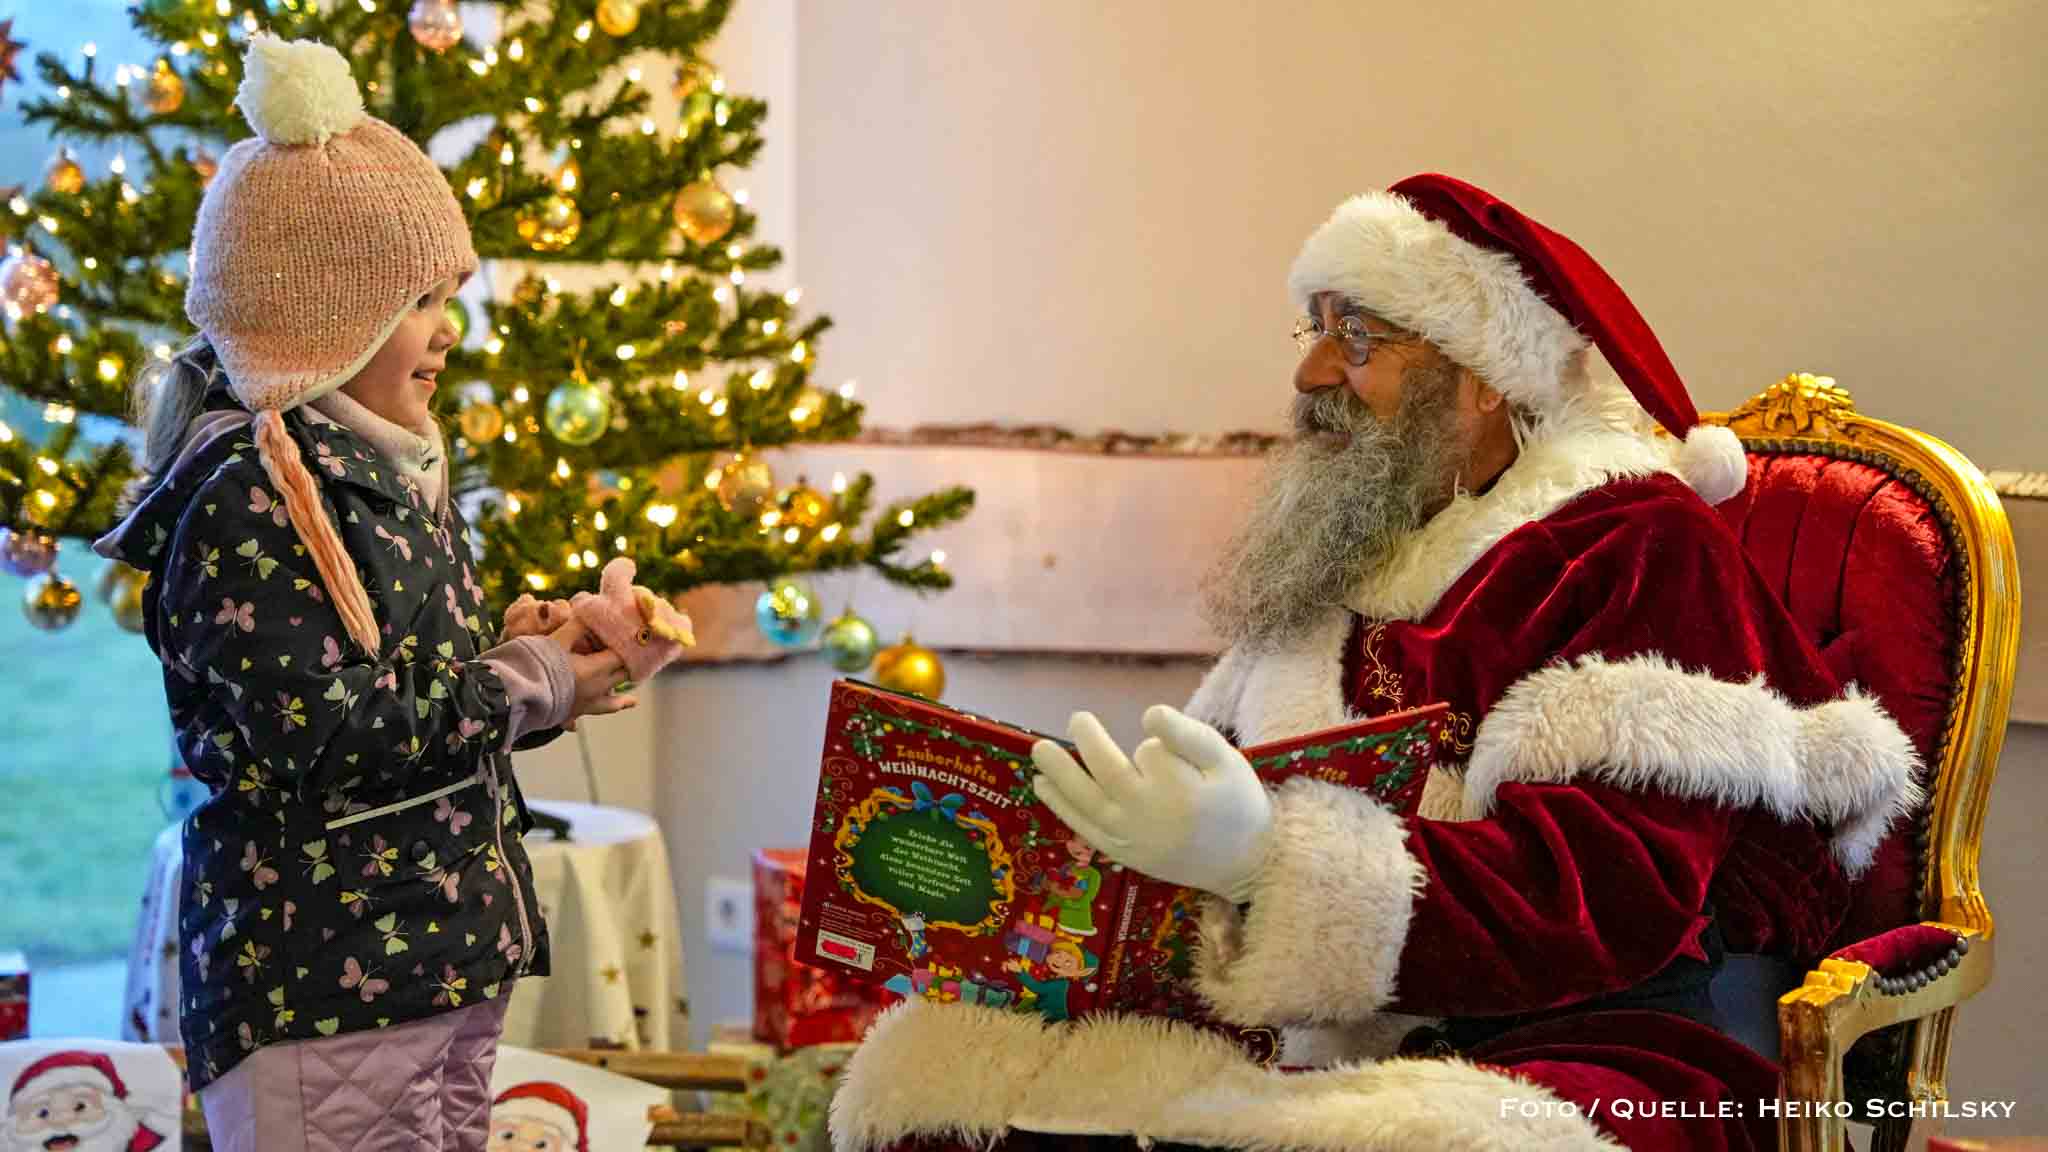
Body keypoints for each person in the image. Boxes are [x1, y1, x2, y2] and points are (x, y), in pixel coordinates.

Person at [829, 175, 1923, 1151]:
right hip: (1314, 1018)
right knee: (943, 1068)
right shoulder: (1344, 545)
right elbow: (1211, 786)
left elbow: (1607, 902)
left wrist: (1268, 857)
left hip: (1611, 1032)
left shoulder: (1632, 544)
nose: (1309, 371)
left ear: (1481, 376)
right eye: (1311, 329)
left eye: (1355, 337)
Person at [93, 35, 632, 1152]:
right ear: (324, 316)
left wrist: (532, 657)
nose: (448, 329)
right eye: (418, 300)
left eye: (446, 295)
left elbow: (413, 702)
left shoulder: (386, 469)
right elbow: (330, 733)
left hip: (434, 954)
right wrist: (521, 682)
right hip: (327, 983)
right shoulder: (254, 497)